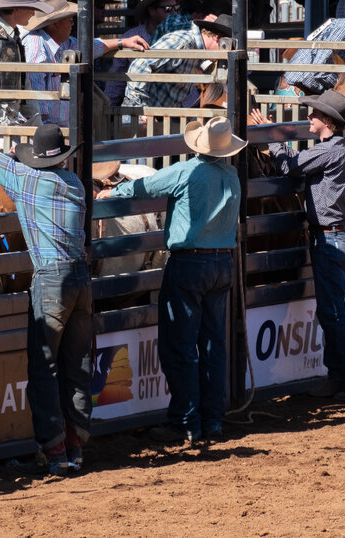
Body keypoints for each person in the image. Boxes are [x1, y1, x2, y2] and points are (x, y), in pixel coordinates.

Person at [98, 116, 245, 443]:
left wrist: (114, 192)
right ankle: (213, 419)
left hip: (189, 263)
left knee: (179, 344)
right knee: (212, 343)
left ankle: (184, 420)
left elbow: (144, 186)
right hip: (222, 261)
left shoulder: (186, 172)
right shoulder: (232, 175)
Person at [0, 124, 92, 474]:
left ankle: (55, 449)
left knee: (44, 367)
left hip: (51, 280)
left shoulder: (26, 180)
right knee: (76, 364)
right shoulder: (75, 184)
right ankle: (76, 445)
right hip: (80, 276)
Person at [250, 91, 345, 400]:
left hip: (329, 237)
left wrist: (273, 134)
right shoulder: (335, 149)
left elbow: (290, 166)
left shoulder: (331, 150)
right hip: (331, 235)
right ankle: (339, 375)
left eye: (314, 115)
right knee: (331, 310)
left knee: (332, 311)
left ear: (328, 122)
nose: (309, 118)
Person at [23, 0, 148, 125]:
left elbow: (89, 47)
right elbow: (36, 89)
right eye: (70, 20)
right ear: (54, 25)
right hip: (47, 127)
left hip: (62, 125)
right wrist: (45, 123)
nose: (73, 24)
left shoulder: (65, 42)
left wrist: (121, 42)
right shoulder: (35, 44)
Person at [123, 13, 229, 108]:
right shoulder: (183, 42)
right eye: (227, 47)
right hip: (142, 116)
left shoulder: (197, 50)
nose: (226, 54)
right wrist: (141, 109)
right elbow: (139, 65)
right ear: (218, 38)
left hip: (157, 114)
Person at [104, 0, 183, 106]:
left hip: (178, 111)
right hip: (143, 112)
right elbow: (116, 82)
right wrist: (108, 112)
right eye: (168, 9)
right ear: (152, 11)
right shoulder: (130, 38)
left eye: (176, 8)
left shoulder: (182, 36)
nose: (174, 14)